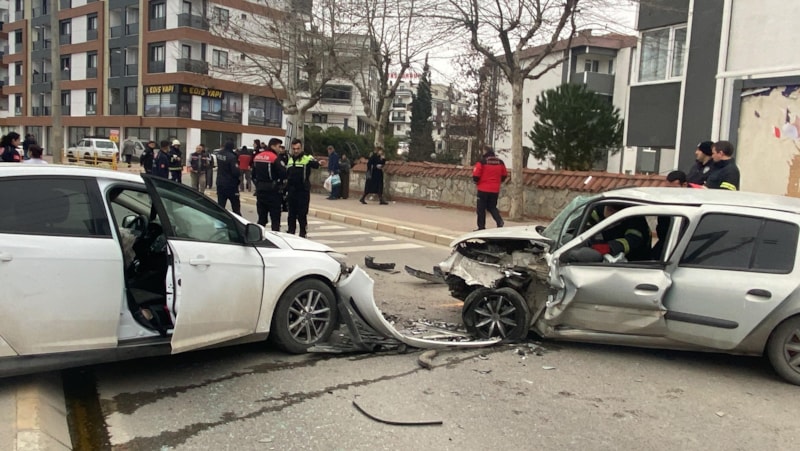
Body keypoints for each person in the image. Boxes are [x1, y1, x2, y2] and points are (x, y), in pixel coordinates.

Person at [285, 138, 319, 237]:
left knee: (302, 214)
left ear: (301, 148)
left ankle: (303, 233)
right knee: (291, 214)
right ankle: (291, 233)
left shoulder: (307, 158)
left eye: (298, 148)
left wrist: (318, 163)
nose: (296, 151)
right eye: (294, 149)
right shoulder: (290, 160)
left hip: (302, 191)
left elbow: (315, 165)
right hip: (292, 191)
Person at [252, 138, 287, 231]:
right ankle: (275, 237)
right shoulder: (274, 158)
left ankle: (259, 236)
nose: (280, 149)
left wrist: (258, 185)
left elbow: (253, 175)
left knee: (261, 219)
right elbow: (283, 173)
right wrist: (281, 184)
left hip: (260, 191)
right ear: (273, 146)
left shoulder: (258, 157)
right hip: (273, 192)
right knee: (275, 220)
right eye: (278, 146)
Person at [472, 145, 508, 230]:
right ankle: (499, 221)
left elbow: (476, 176)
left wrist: (476, 182)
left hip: (483, 189)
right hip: (495, 189)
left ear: (485, 151)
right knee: (492, 207)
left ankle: (481, 227)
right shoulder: (500, 162)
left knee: (481, 209)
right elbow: (504, 175)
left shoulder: (482, 162)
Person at [216, 141, 241, 214]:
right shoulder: (232, 157)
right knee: (236, 207)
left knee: (221, 206)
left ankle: (219, 219)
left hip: (220, 182)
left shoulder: (219, 153)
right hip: (231, 184)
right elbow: (235, 172)